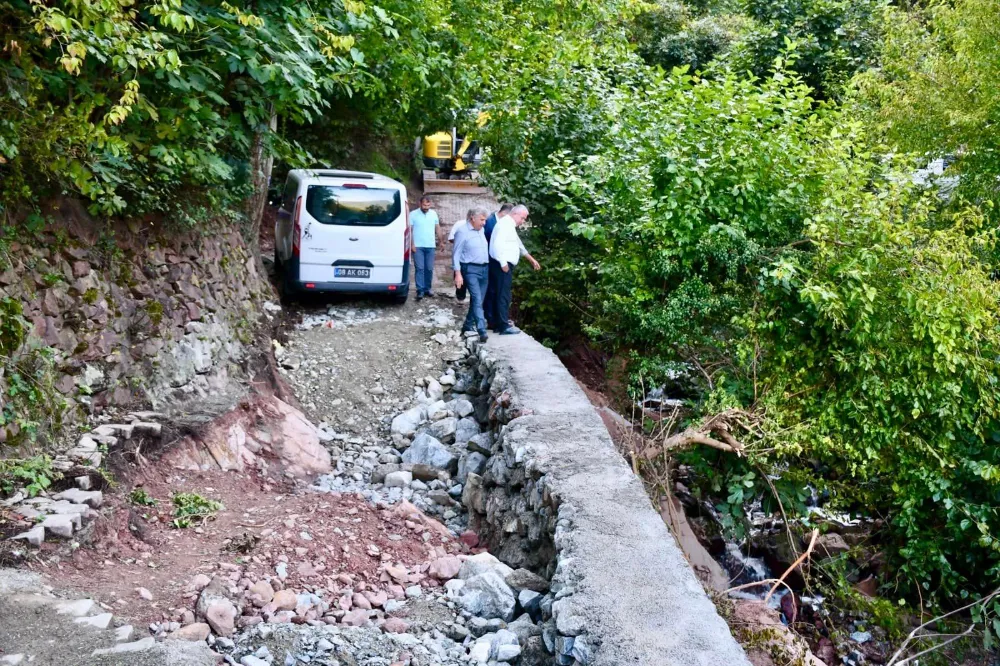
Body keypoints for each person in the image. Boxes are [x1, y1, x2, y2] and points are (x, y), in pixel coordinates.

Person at [488, 204, 540, 335]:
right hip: (501, 265)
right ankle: (503, 325)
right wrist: (503, 263)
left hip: (502, 264)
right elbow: (497, 244)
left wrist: (531, 259)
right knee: (503, 295)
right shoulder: (505, 224)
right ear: (515, 214)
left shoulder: (508, 225)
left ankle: (497, 322)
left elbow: (518, 244)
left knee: (499, 293)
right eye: (522, 218)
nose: (522, 221)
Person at [452, 207, 491, 342]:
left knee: (478, 300)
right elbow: (456, 254)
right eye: (482, 219)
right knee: (476, 297)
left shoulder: (481, 230)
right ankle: (481, 330)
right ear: (472, 218)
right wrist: (458, 273)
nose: (484, 223)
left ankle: (467, 326)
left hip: (484, 269)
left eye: (485, 220)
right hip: (470, 269)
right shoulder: (462, 232)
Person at [483, 203, 513, 327]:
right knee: (491, 290)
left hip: (495, 260)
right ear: (505, 214)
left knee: (495, 290)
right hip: (490, 260)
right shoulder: (490, 223)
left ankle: (495, 317)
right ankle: (491, 318)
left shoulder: (499, 221)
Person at [409, 195, 441, 300]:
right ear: (420, 204)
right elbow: (410, 231)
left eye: (428, 205)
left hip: (430, 245)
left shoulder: (433, 214)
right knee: (420, 268)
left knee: (429, 268)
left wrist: (441, 241)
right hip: (418, 246)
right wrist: (412, 244)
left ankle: (428, 288)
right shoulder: (413, 214)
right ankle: (420, 290)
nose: (426, 207)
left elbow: (437, 228)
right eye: (424, 205)